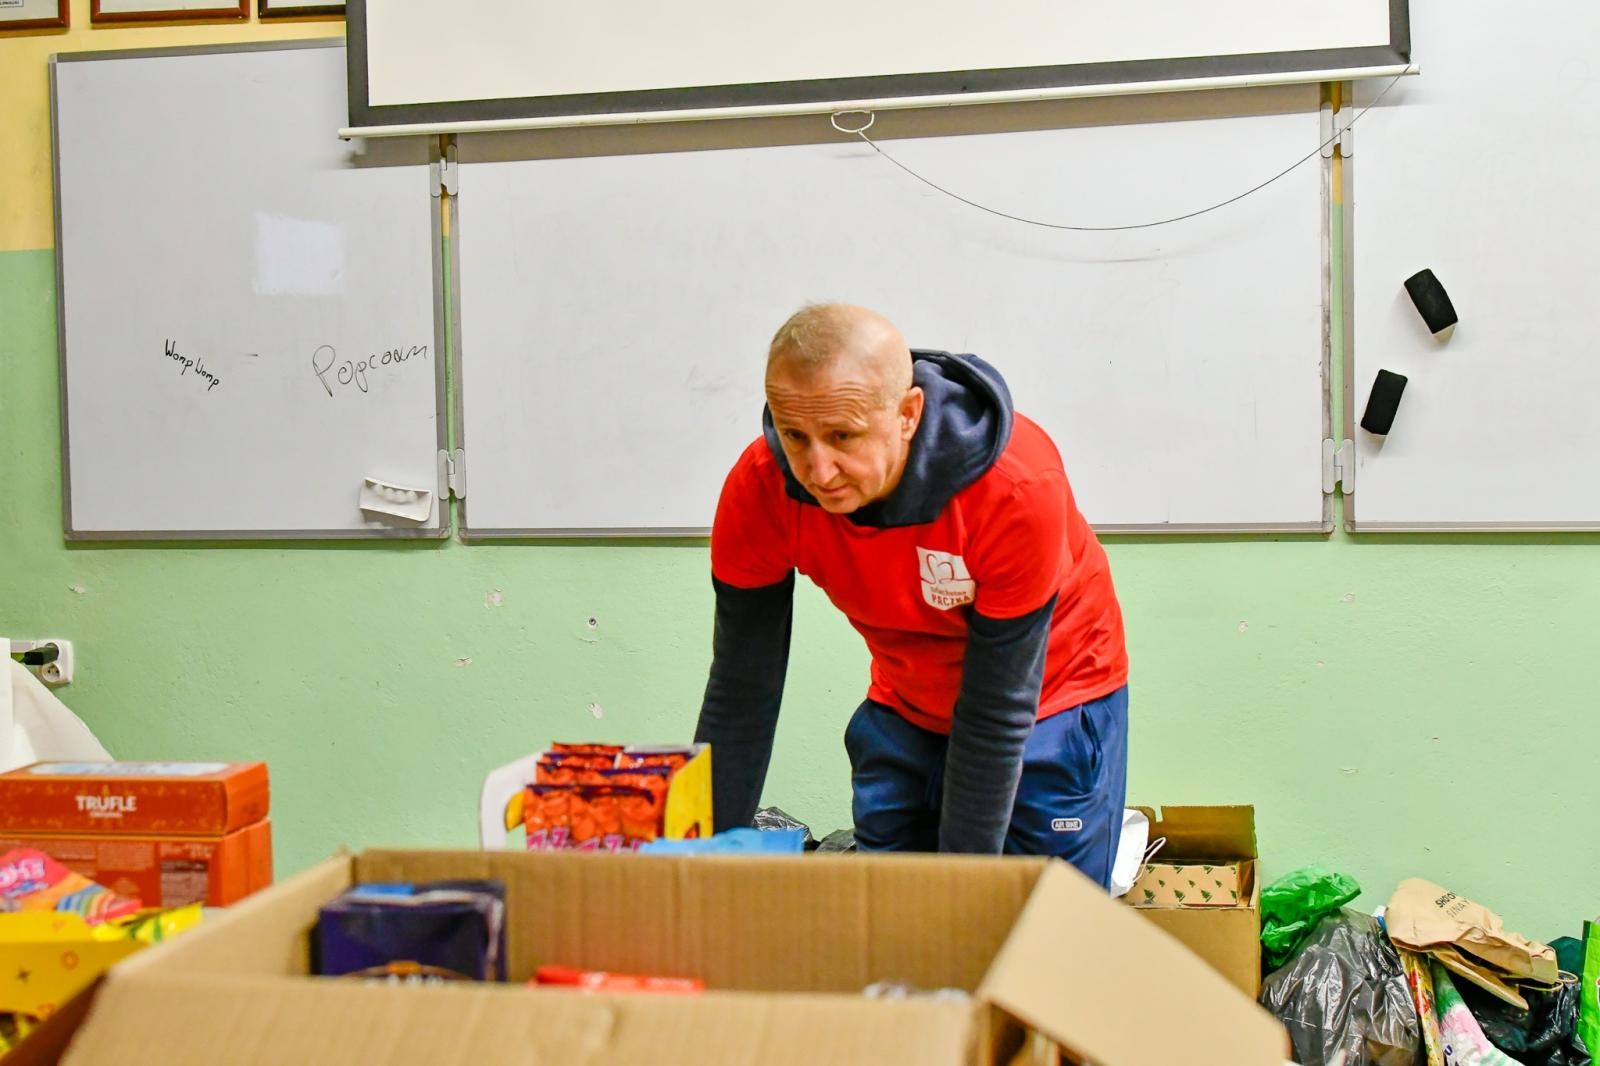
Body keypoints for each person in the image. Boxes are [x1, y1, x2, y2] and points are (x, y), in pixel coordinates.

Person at [694, 303, 1129, 884]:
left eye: (842, 436)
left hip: (1051, 696)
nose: (818, 470)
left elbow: (998, 711)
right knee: (894, 926)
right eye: (794, 435)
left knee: (1035, 932)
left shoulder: (1015, 487)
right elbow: (741, 688)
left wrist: (956, 895)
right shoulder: (762, 488)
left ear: (907, 413)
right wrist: (699, 865)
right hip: (907, 699)